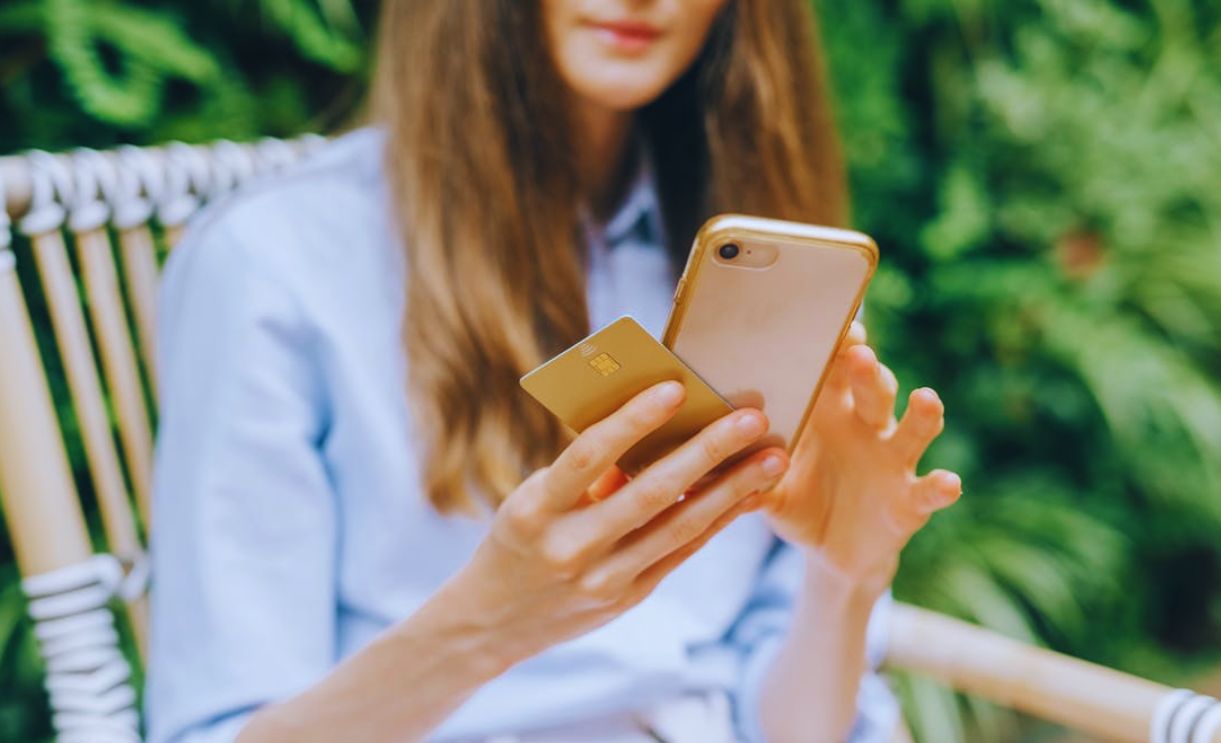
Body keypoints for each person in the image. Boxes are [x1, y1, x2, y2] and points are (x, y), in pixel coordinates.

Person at [146, 1, 962, 741]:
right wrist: (488, 624)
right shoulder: (275, 263)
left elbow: (786, 729)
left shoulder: (748, 269)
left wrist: (846, 575)